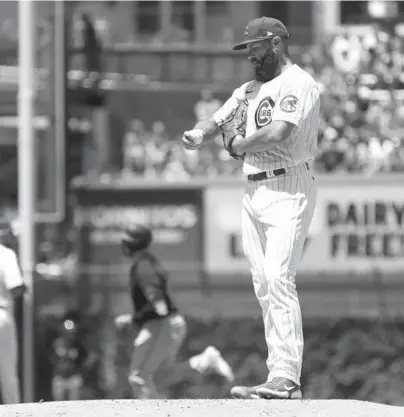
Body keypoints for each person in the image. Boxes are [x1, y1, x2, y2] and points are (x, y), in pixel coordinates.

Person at [182, 17, 320, 400]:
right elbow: (217, 119)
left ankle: (287, 378)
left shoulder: (299, 83)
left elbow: (280, 131)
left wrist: (239, 145)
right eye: (248, 48)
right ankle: (278, 373)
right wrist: (198, 133)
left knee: (278, 277)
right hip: (253, 188)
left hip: (289, 183)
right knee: (263, 283)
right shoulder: (249, 89)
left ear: (275, 43)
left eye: (256, 47)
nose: (251, 55)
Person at [115, 224, 234, 399]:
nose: (122, 245)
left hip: (160, 323)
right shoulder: (146, 263)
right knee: (161, 376)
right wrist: (136, 319)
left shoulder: (143, 266)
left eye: (125, 241)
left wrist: (155, 314)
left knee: (139, 375)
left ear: (131, 244)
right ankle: (206, 361)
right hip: (166, 322)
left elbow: (155, 296)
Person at [0, 232, 26, 404]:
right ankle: (14, 412)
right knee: (7, 373)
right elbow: (15, 288)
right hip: (0, 314)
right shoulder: (5, 254)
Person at [50, 312, 97, 401]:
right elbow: (51, 359)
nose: (69, 335)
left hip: (73, 379)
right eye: (66, 332)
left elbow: (91, 357)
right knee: (58, 406)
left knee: (74, 405)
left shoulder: (78, 345)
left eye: (71, 333)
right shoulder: (56, 344)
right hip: (60, 379)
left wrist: (82, 373)